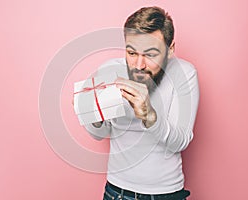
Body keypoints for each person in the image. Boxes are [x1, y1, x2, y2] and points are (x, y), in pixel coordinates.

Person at [84, 6, 199, 200]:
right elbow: (101, 134)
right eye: (131, 53)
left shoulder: (185, 74)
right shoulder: (109, 70)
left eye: (151, 55)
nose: (139, 65)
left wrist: (149, 115)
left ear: (170, 50)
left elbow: (180, 142)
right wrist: (92, 115)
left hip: (166, 194)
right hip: (116, 192)